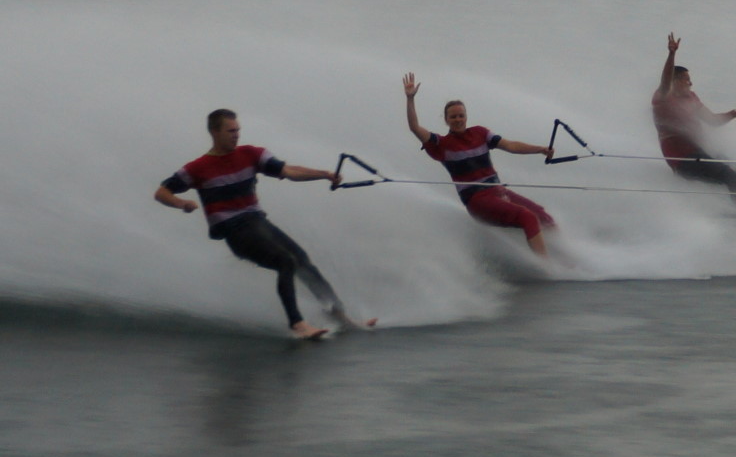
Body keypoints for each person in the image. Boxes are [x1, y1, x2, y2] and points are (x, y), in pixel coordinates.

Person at [154, 109, 372, 339]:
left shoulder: (250, 154)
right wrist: (181, 203)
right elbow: (161, 192)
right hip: (235, 232)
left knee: (303, 261)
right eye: (230, 131)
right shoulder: (197, 168)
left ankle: (341, 317)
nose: (236, 135)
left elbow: (289, 171)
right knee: (285, 261)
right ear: (214, 132)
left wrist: (325, 174)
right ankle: (298, 324)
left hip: (258, 222)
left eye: (238, 130)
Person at [403, 72, 556, 257]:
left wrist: (540, 149)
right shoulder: (441, 145)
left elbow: (510, 145)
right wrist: (410, 99)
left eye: (461, 115)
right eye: (453, 117)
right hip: (477, 202)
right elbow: (414, 128)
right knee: (527, 216)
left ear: (466, 117)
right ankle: (547, 266)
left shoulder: (480, 133)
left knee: (543, 216)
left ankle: (567, 257)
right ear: (446, 120)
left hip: (499, 192)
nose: (458, 119)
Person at [652, 33, 736, 208]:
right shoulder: (663, 97)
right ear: (675, 81)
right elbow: (665, 80)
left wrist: (732, 114)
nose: (691, 83)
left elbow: (712, 120)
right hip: (683, 160)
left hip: (699, 154)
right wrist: (672, 54)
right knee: (730, 176)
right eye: (687, 80)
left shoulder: (691, 98)